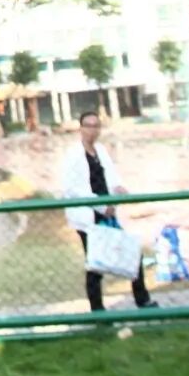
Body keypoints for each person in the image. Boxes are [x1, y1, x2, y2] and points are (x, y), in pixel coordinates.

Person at [60, 110, 158, 312]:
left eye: (96, 126)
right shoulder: (73, 155)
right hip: (88, 217)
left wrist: (118, 189)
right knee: (95, 264)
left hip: (108, 214)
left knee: (132, 253)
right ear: (80, 128)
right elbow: (73, 189)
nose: (92, 130)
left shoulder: (101, 151)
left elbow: (110, 176)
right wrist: (102, 206)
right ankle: (98, 310)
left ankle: (142, 300)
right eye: (88, 126)